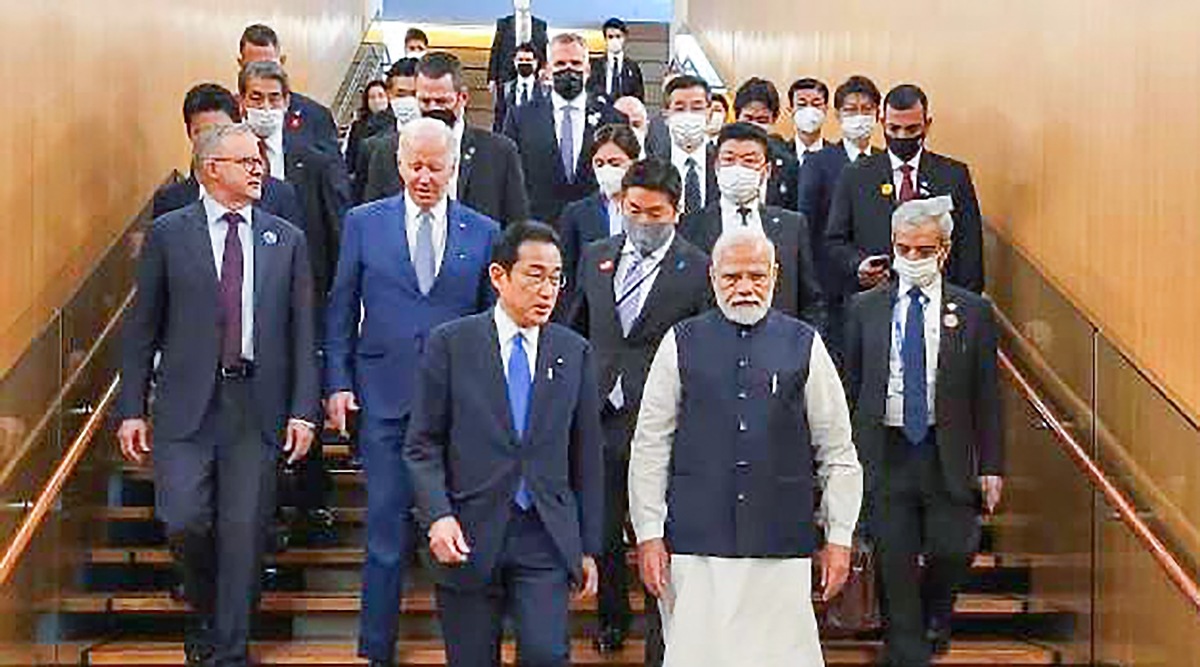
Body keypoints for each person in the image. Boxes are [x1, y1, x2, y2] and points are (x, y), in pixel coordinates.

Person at [118, 123, 320, 667]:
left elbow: (303, 333)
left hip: (256, 407)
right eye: (246, 161)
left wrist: (304, 410)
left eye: (259, 160)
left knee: (245, 535)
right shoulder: (168, 233)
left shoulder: (286, 238)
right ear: (211, 168)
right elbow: (142, 328)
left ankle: (230, 650)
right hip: (185, 407)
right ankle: (206, 613)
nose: (259, 169)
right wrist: (131, 407)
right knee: (184, 518)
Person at [628, 226, 863, 667]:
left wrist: (839, 537)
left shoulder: (805, 344)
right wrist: (648, 534)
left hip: (780, 540)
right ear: (713, 277)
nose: (745, 288)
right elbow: (650, 446)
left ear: (775, 275)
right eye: (732, 277)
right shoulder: (680, 342)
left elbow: (838, 451)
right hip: (696, 542)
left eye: (756, 276)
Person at [325, 118, 500, 667]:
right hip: (383, 396)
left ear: (454, 168)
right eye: (415, 165)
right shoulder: (362, 223)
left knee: (454, 528)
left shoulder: (484, 230)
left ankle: (465, 650)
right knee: (384, 526)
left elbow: (489, 322)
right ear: (399, 163)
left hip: (458, 406)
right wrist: (338, 383)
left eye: (435, 166)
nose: (424, 176)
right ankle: (375, 649)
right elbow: (340, 308)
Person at [405, 221, 604, 667]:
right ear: (499, 276)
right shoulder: (451, 344)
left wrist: (588, 546)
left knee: (546, 653)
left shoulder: (573, 352)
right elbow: (422, 444)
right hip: (467, 530)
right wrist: (438, 516)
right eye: (535, 274)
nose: (547, 289)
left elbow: (587, 456)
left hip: (544, 534)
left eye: (556, 278)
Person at [843, 197, 1002, 667]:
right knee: (893, 560)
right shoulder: (863, 308)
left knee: (957, 545)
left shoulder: (973, 312)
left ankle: (937, 612)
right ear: (892, 246)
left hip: (943, 450)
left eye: (923, 249)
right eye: (904, 248)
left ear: (945, 250)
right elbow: (851, 385)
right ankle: (907, 652)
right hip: (885, 450)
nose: (913, 258)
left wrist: (991, 465)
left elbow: (987, 395)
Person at [567, 158, 711, 655]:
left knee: (658, 534)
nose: (643, 221)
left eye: (655, 213)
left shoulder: (697, 265)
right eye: (634, 210)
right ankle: (611, 616)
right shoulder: (595, 255)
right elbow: (574, 327)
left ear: (677, 210)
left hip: (662, 418)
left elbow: (702, 344)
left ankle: (660, 632)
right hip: (600, 412)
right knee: (603, 530)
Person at [826, 83, 985, 297]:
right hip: (875, 300)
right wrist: (859, 264)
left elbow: (970, 250)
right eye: (893, 129)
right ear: (882, 123)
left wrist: (963, 305)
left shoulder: (954, 176)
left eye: (912, 129)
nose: (901, 136)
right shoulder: (855, 175)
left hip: (940, 298)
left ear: (927, 125)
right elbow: (835, 241)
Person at [678, 122, 823, 329]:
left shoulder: (792, 225)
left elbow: (810, 300)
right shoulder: (690, 225)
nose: (738, 168)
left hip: (778, 345)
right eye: (729, 159)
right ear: (716, 167)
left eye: (749, 161)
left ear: (767, 170)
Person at [363, 52, 529, 227]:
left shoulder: (499, 153)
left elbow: (516, 228)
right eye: (425, 101)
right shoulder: (386, 151)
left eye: (442, 101)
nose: (434, 108)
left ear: (462, 97)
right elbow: (373, 224)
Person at [796, 75, 883, 360]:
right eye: (851, 109)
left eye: (867, 109)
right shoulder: (819, 162)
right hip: (833, 287)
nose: (859, 117)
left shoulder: (884, 162)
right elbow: (807, 227)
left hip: (880, 286)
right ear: (837, 114)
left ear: (878, 114)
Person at [503, 33, 625, 225]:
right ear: (547, 69)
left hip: (596, 232)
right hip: (538, 230)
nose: (569, 70)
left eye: (576, 63)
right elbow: (510, 181)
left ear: (587, 68)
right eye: (560, 64)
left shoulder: (614, 119)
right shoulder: (520, 118)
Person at [152, 83, 304, 227]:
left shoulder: (278, 195)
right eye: (202, 133)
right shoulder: (170, 201)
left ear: (238, 128)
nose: (212, 142)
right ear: (189, 134)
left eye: (221, 131)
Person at [557, 124, 640, 291]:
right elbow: (567, 273)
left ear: (633, 163)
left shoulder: (648, 209)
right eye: (599, 163)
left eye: (614, 163)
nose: (606, 169)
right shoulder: (577, 213)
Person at [238, 23, 339, 156]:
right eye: (254, 66)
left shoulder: (315, 117)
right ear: (241, 64)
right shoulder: (226, 115)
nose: (262, 74)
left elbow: (335, 171)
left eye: (270, 65)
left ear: (282, 61)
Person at [645, 75, 719, 218]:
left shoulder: (722, 164)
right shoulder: (651, 166)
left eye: (697, 108)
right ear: (666, 115)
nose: (688, 115)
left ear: (709, 112)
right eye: (679, 108)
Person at [354, 59, 420, 204]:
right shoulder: (372, 147)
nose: (409, 101)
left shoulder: (448, 141)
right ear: (389, 94)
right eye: (401, 94)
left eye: (415, 94)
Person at [734, 77, 801, 212]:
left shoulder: (789, 163)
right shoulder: (721, 158)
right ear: (737, 116)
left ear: (774, 119)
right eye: (748, 118)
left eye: (762, 120)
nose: (754, 126)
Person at [345, 81, 395, 196]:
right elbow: (351, 157)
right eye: (372, 97)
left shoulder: (396, 123)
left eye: (381, 96)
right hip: (364, 181)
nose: (377, 101)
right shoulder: (358, 127)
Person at [488, 0, 548, 93]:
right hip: (506, 74)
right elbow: (496, 52)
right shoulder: (503, 24)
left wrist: (544, 71)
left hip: (533, 75)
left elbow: (544, 51)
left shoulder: (540, 25)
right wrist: (492, 78)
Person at [493, 42, 548, 133]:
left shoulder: (545, 91)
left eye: (528, 60)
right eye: (520, 59)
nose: (524, 63)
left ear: (536, 62)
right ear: (514, 61)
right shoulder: (505, 89)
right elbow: (499, 120)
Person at [588, 18, 645, 102]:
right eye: (610, 37)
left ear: (624, 37)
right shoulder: (595, 65)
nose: (614, 41)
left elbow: (639, 96)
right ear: (605, 39)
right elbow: (590, 91)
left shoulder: (632, 67)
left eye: (618, 36)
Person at [787, 77, 832, 169]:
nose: (809, 110)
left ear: (826, 109)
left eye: (816, 105)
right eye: (802, 105)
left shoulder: (837, 156)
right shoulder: (779, 154)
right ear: (791, 110)